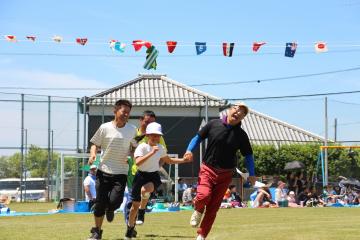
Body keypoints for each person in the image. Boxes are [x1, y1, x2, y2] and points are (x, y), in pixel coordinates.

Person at [184, 102, 256, 240]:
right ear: (230, 110)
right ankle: (198, 210)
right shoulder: (213, 124)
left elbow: (248, 156)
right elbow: (198, 137)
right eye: (236, 109)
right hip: (208, 169)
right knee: (203, 196)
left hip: (226, 174)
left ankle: (202, 235)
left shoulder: (241, 135)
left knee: (213, 207)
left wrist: (252, 174)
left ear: (243, 118)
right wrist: (189, 150)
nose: (237, 113)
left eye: (242, 113)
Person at [125, 122, 191, 239]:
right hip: (140, 176)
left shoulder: (161, 148)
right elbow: (138, 162)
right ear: (148, 135)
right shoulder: (142, 147)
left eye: (158, 135)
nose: (156, 138)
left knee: (146, 190)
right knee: (133, 206)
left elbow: (169, 161)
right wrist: (151, 152)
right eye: (153, 135)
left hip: (153, 176)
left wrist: (184, 160)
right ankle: (130, 228)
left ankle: (142, 210)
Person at [87, 99, 137, 240]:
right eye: (123, 111)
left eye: (128, 112)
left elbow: (134, 147)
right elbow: (94, 144)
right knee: (99, 204)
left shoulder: (132, 130)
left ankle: (111, 209)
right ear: (115, 111)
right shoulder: (104, 127)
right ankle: (96, 231)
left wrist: (134, 156)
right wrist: (93, 155)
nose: (126, 114)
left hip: (121, 172)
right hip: (103, 171)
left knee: (115, 201)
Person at [124, 110, 167, 228]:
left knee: (144, 193)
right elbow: (125, 149)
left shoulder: (158, 137)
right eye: (147, 122)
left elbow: (164, 155)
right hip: (133, 172)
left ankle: (140, 214)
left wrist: (158, 166)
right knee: (131, 202)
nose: (150, 126)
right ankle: (130, 227)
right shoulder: (133, 133)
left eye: (152, 123)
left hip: (149, 174)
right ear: (141, 120)